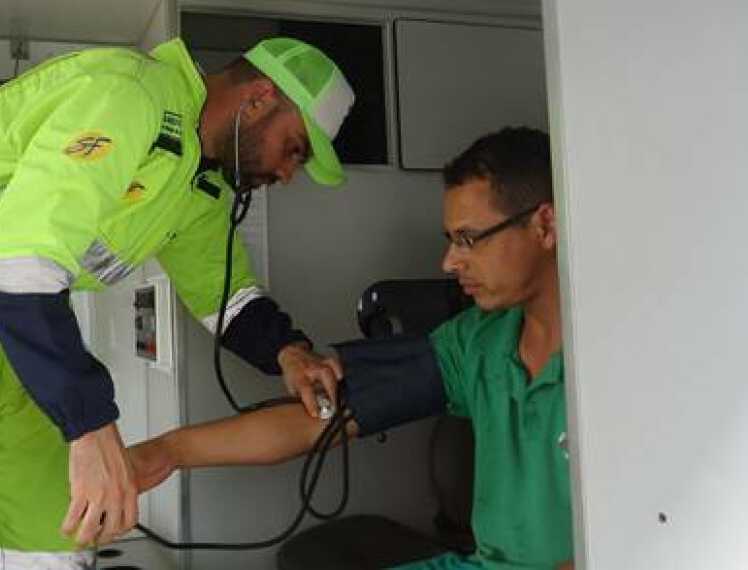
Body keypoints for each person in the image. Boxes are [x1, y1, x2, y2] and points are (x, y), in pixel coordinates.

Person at [0, 36, 354, 570]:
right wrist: (91, 426)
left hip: (28, 334)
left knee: (48, 535)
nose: (287, 174)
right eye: (295, 149)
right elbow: (18, 261)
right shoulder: (130, 92)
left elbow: (226, 294)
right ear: (258, 98)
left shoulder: (201, 185)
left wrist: (289, 352)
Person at [129, 127, 574, 569]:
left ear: (545, 225)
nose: (449, 262)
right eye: (450, 241)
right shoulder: (479, 341)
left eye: (468, 239)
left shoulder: (619, 361)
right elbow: (318, 418)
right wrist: (163, 453)